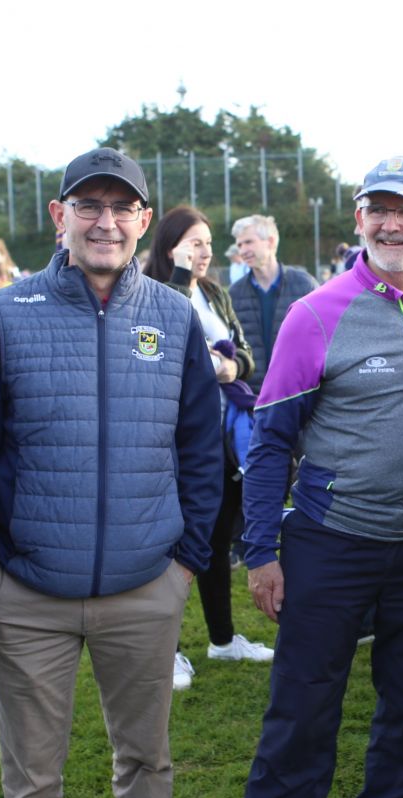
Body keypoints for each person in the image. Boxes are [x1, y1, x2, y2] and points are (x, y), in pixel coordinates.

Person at [0, 147, 221, 798]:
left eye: (121, 208)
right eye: (88, 205)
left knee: (146, 761)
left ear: (143, 221)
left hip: (146, 586)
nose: (105, 222)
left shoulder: (172, 316)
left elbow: (202, 446)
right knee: (32, 778)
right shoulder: (5, 313)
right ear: (60, 217)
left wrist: (185, 560)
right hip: (26, 593)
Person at [239, 155, 403, 798]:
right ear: (359, 218)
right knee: (302, 712)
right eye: (380, 208)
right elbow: (270, 441)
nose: (392, 223)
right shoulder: (314, 315)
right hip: (331, 544)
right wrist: (260, 552)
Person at [143, 205, 273, 691]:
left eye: (208, 243)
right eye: (195, 243)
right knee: (171, 548)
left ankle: (222, 639)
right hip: (173, 440)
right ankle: (167, 651)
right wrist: (177, 273)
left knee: (218, 541)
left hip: (223, 440)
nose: (206, 252)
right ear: (170, 245)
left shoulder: (215, 292)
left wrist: (231, 369)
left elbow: (245, 351)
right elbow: (162, 347)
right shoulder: (152, 290)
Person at [228, 214, 318, 393]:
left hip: (297, 393)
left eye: (248, 242)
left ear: (270, 241)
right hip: (253, 398)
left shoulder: (305, 285)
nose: (243, 250)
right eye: (239, 245)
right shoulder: (234, 293)